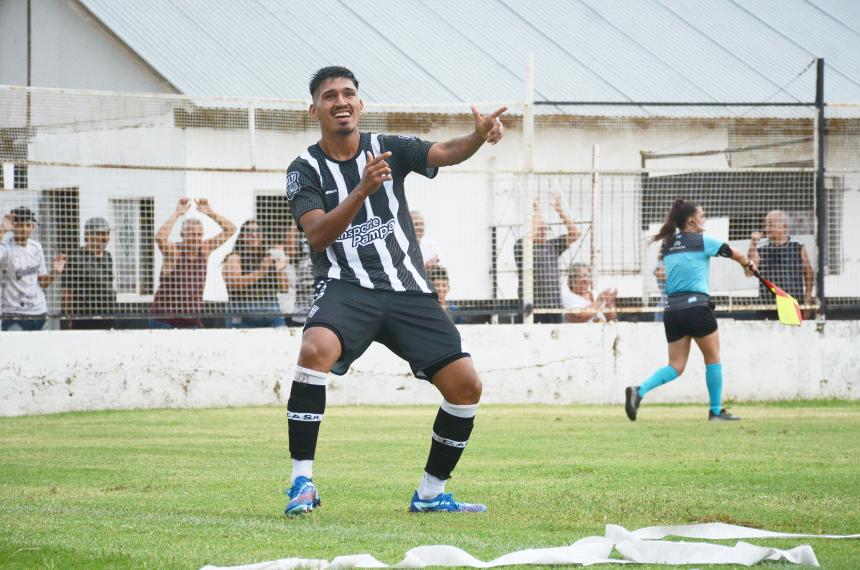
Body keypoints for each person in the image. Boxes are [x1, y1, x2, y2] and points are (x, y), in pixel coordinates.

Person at [282, 66, 505, 516]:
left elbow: (445, 151)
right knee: (314, 348)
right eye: (330, 96)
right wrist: (363, 188)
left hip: (408, 290)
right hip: (347, 287)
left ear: (360, 104)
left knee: (466, 386)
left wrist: (477, 136)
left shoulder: (389, 148)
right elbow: (318, 235)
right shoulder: (303, 169)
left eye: (349, 94)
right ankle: (301, 482)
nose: (341, 101)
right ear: (315, 109)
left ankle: (430, 493)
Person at [624, 199, 756, 423]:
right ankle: (715, 411)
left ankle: (640, 390)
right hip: (697, 308)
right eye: (702, 216)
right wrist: (747, 265)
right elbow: (734, 253)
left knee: (675, 366)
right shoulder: (702, 241)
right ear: (692, 221)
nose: (704, 220)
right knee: (713, 359)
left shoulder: (667, 244)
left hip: (673, 311)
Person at [150, 197, 236, 328]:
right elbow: (160, 238)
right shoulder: (175, 252)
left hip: (191, 320)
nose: (195, 238)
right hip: (164, 320)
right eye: (191, 234)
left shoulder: (205, 249)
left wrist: (210, 212)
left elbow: (231, 229)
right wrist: (177, 213)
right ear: (182, 235)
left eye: (198, 234)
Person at [514, 193, 580, 323]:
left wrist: (559, 210)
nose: (544, 231)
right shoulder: (522, 246)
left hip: (554, 308)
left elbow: (575, 233)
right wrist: (537, 210)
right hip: (532, 309)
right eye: (540, 228)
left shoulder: (552, 245)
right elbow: (530, 234)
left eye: (545, 228)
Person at [0, 207, 66, 331]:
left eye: (28, 225)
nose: (25, 229)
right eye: (20, 225)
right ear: (13, 226)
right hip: (14, 314)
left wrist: (56, 272)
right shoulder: (6, 247)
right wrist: (2, 230)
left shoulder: (36, 247)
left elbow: (43, 282)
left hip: (39, 312)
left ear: (33, 226)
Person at [222, 220, 289, 328]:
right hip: (244, 314)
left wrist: (278, 270)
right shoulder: (234, 258)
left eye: (258, 231)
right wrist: (261, 272)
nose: (254, 234)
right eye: (249, 231)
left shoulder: (269, 257)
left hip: (272, 313)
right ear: (242, 236)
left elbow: (284, 289)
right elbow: (234, 284)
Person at [747, 210, 814, 308]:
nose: (767, 229)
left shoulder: (797, 245)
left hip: (793, 303)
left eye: (771, 225)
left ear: (784, 227)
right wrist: (753, 243)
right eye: (766, 225)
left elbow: (808, 273)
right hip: (768, 304)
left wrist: (807, 299)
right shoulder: (761, 247)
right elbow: (750, 272)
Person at [61, 217, 116, 329]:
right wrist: (69, 318)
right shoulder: (76, 258)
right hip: (84, 318)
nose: (106, 238)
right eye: (101, 234)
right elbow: (67, 292)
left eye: (107, 233)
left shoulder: (107, 256)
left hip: (107, 317)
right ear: (89, 236)